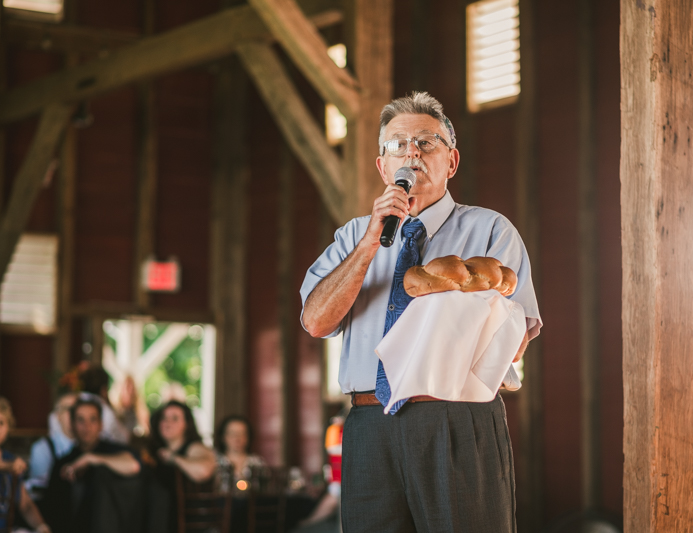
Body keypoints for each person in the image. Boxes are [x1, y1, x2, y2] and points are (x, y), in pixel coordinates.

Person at [300, 92, 542, 532]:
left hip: (456, 421)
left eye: (427, 143)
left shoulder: (490, 230)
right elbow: (316, 320)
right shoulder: (354, 235)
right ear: (382, 166)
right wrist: (371, 242)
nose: (411, 153)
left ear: (451, 161)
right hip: (369, 423)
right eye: (398, 144)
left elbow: (515, 339)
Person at [43, 397, 142, 533]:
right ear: (72, 425)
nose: (87, 426)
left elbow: (133, 465)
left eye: (93, 419)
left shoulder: (114, 450)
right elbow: (53, 512)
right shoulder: (63, 463)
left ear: (101, 424)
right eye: (80, 420)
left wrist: (91, 459)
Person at [148, 401, 216, 532]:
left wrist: (173, 458)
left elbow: (203, 471)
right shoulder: (153, 451)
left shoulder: (194, 447)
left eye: (175, 418)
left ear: (186, 424)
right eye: (164, 418)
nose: (168, 423)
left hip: (188, 524)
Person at [0, 397, 52, 533]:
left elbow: (26, 504)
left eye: (0, 423)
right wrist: (7, 466)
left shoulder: (10, 458)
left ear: (9, 427)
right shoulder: (11, 463)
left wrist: (42, 527)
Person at [214, 416, 265, 533]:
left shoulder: (257, 462)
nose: (237, 438)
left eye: (242, 434)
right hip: (221, 513)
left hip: (252, 513)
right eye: (232, 434)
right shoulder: (214, 461)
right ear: (223, 437)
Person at [25, 393, 77, 501]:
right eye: (68, 409)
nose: (74, 414)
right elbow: (39, 492)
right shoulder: (43, 448)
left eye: (77, 409)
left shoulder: (87, 446)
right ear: (58, 415)